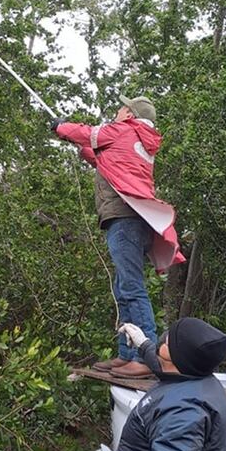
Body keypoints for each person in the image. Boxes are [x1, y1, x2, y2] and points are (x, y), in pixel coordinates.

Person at [51, 95, 186, 378]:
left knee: (131, 287)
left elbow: (88, 134)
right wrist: (80, 146)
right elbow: (103, 161)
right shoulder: (138, 140)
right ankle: (129, 354)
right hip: (133, 220)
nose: (117, 110)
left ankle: (146, 356)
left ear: (130, 114)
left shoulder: (123, 130)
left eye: (122, 107)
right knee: (124, 287)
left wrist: (61, 128)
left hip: (124, 220)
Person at [94, 318, 226, 451]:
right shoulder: (195, 377)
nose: (164, 337)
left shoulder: (185, 409)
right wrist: (142, 344)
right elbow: (167, 365)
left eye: (169, 340)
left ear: (177, 357)